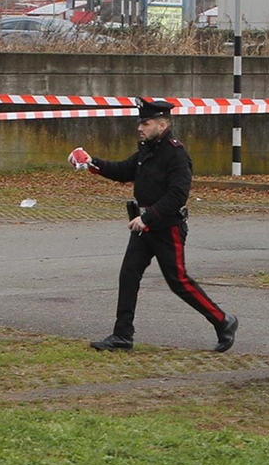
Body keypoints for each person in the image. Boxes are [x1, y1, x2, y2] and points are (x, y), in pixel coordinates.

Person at [69, 97, 238, 353]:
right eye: (139, 122)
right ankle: (122, 335)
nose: (140, 127)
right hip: (143, 227)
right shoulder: (146, 150)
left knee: (178, 281)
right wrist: (93, 163)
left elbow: (177, 195)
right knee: (128, 275)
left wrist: (147, 218)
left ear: (162, 123)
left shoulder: (176, 154)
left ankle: (223, 321)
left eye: (145, 123)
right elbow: (124, 169)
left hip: (167, 227)